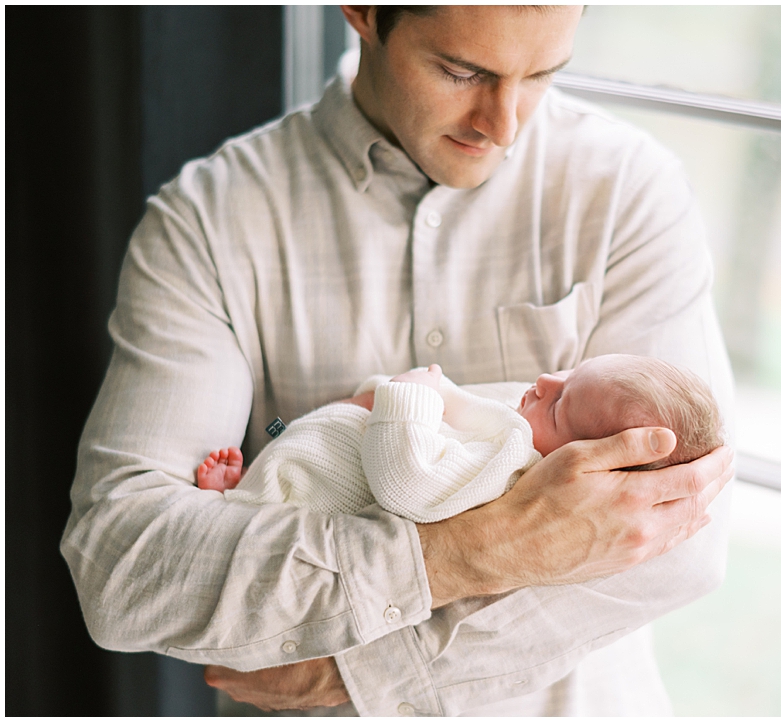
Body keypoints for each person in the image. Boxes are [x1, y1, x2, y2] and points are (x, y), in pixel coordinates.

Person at [61, 5, 737, 715]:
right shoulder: (209, 221)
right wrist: (472, 552)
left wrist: (364, 671)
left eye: (540, 74)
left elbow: (681, 533)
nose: (502, 126)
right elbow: (123, 567)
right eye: (462, 71)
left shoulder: (629, 190)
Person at [196, 355, 725, 526]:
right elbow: (466, 409)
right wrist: (432, 389)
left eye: (560, 404)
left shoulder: (513, 474)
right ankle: (248, 486)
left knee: (277, 511)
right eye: (567, 373)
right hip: (308, 446)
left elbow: (410, 484)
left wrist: (410, 399)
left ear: (582, 463)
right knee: (287, 450)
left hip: (307, 494)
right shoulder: (523, 434)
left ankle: (240, 500)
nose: (544, 383)